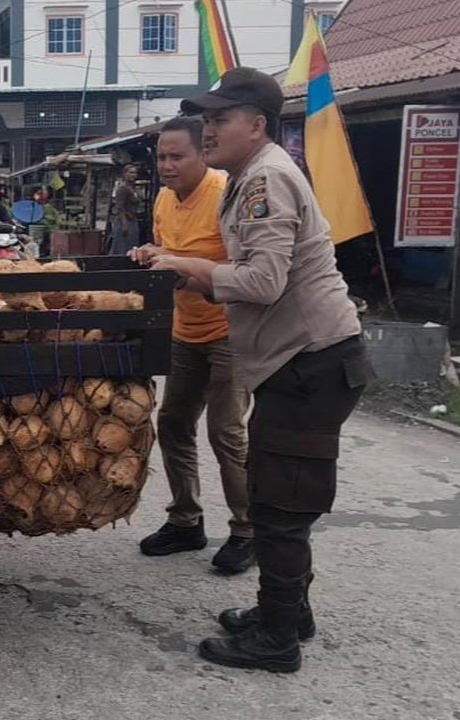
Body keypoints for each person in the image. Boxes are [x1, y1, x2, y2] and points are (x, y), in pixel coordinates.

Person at [153, 68, 371, 673]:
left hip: (310, 362)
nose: (210, 128)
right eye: (208, 118)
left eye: (221, 118)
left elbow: (264, 281)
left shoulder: (265, 178)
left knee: (277, 506)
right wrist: (196, 275)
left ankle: (276, 639)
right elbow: (252, 275)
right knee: (282, 495)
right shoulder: (256, 174)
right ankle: (288, 612)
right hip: (302, 361)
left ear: (257, 125)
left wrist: (186, 264)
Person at [129, 117, 253, 573]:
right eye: (161, 156)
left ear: (204, 154)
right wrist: (150, 254)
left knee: (226, 432)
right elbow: (169, 254)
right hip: (186, 330)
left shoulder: (226, 196)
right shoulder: (164, 198)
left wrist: (178, 263)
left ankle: (248, 530)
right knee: (175, 423)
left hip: (231, 332)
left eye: (177, 156)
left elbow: (249, 269)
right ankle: (186, 520)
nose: (166, 165)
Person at [109, 164, 143, 256]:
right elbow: (120, 207)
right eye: (130, 172)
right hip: (124, 221)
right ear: (125, 174)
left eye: (135, 173)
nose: (133, 175)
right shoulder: (122, 188)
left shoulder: (134, 188)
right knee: (122, 247)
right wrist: (124, 224)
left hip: (133, 220)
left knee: (132, 246)